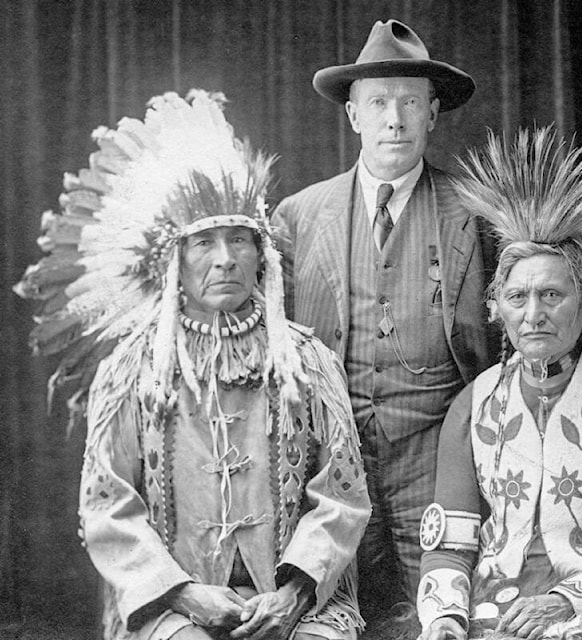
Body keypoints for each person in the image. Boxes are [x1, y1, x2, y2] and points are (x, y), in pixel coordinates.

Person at [15, 92, 370, 640]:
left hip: (298, 599)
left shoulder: (306, 363)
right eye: (203, 242)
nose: (225, 257)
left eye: (239, 240)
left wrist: (295, 593)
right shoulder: (134, 371)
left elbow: (340, 496)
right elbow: (108, 507)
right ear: (174, 261)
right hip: (171, 602)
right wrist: (183, 595)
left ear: (263, 256)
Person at [271, 19, 494, 624]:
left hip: (439, 458)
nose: (394, 118)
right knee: (338, 618)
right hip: (330, 469)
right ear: (353, 116)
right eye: (379, 102)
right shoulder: (298, 217)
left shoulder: (476, 214)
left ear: (433, 115)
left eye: (410, 102)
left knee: (443, 619)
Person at [415, 128, 582, 640]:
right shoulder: (475, 403)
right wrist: (444, 618)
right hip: (489, 618)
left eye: (552, 295)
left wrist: (563, 604)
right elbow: (449, 545)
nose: (534, 315)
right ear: (495, 308)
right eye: (518, 298)